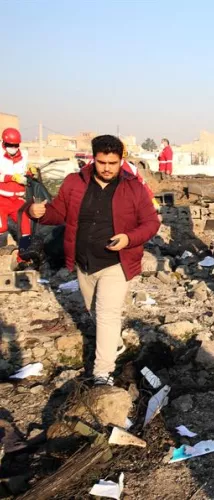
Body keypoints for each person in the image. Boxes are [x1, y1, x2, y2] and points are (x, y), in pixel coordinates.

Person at [28, 135, 160, 385]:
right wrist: (38, 213)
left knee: (108, 313)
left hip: (117, 262)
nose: (107, 168)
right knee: (94, 312)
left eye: (113, 163)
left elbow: (151, 223)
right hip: (84, 263)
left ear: (121, 161)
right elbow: (58, 213)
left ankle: (102, 373)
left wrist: (129, 238)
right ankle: (115, 344)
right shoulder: (74, 182)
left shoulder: (133, 187)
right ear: (93, 159)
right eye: (102, 162)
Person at [0, 128, 34, 259]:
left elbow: (24, 172)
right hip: (1, 198)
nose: (13, 148)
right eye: (10, 145)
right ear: (4, 143)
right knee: (1, 227)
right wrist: (11, 177)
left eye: (16, 145)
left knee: (26, 227)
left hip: (17, 199)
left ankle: (24, 256)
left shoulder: (24, 155)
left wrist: (30, 172)